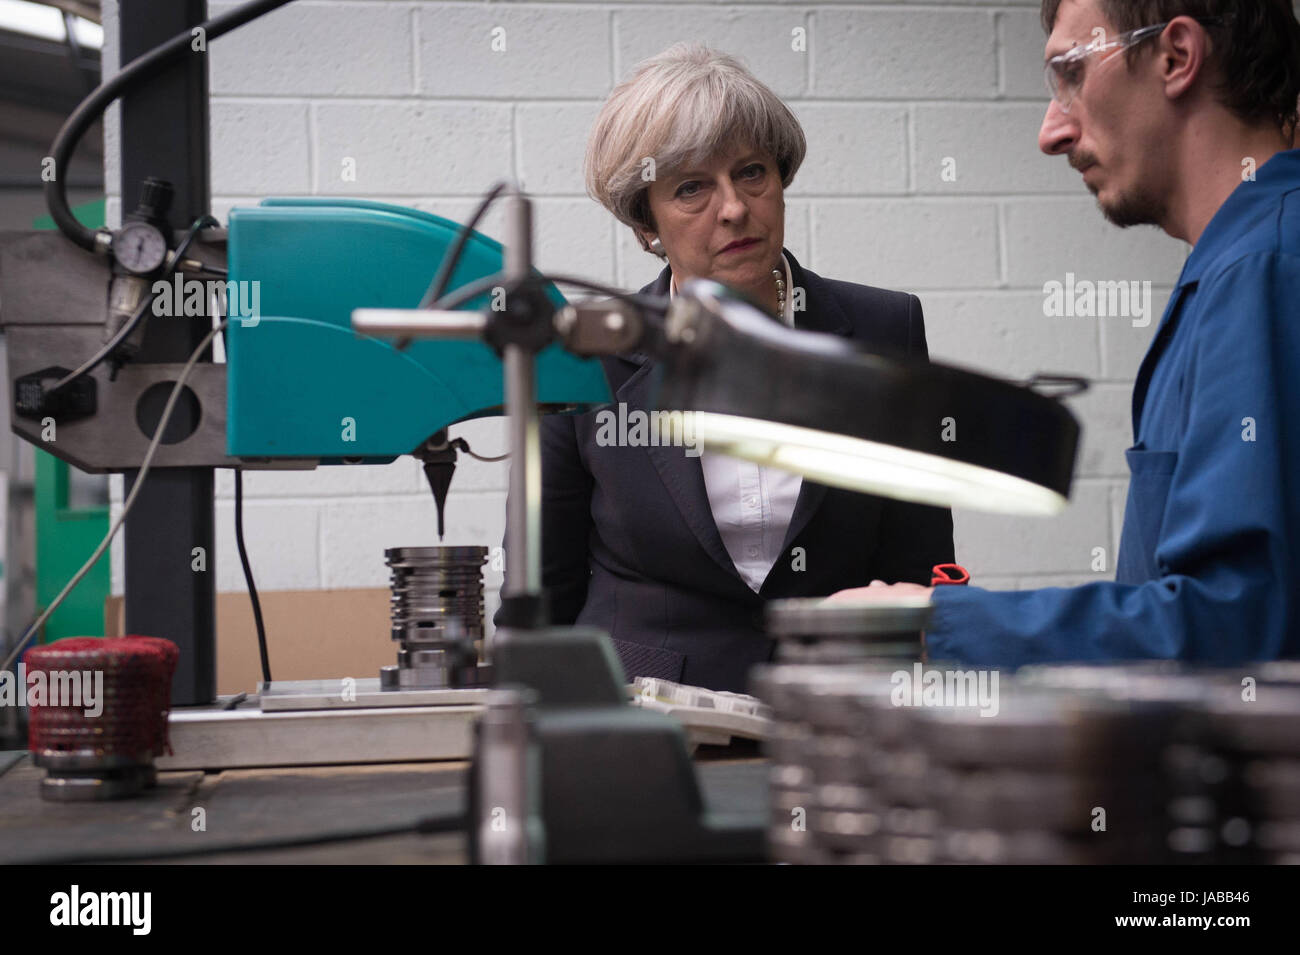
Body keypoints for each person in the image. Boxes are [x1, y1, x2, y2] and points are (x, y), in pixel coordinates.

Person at [831, 0, 1300, 666]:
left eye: (1073, 73)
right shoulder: (1241, 262)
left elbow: (1237, 627)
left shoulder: (1265, 267)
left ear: (1176, 58)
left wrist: (932, 623)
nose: (1052, 130)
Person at [498, 44, 954, 692]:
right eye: (692, 188)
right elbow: (541, 596)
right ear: (645, 221)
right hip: (651, 726)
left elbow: (920, 567)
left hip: (844, 713)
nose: (734, 207)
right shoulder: (580, 351)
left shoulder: (887, 330)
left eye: (751, 173)